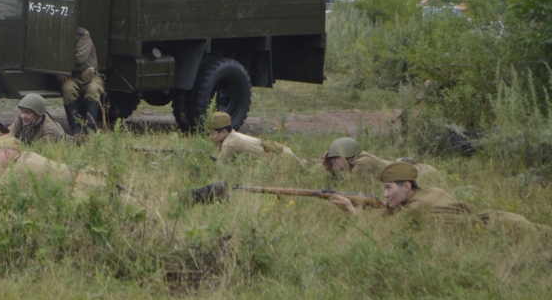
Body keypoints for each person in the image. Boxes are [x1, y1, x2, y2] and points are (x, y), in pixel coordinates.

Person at [328, 162, 546, 229]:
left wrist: (352, 211)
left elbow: (388, 231)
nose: (385, 195)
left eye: (388, 188)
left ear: (406, 187)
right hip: (495, 219)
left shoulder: (418, 206)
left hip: (502, 228)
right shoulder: (428, 192)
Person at [0, 135, 135, 202]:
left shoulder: (21, 166)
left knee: (131, 205)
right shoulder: (25, 158)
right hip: (87, 181)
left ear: (6, 153)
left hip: (85, 188)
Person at [321, 137, 439, 183]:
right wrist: (330, 170)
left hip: (423, 173)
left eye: (335, 157)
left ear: (348, 156)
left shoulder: (362, 163)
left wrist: (332, 173)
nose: (332, 161)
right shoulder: (358, 160)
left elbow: (349, 188)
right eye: (331, 159)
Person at [58, 27, 104, 135]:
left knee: (93, 90)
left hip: (91, 77)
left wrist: (62, 66)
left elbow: (80, 58)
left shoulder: (82, 35)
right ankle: (75, 129)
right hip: (73, 77)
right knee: (68, 90)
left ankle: (90, 129)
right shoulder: (60, 35)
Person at [209, 111, 301, 164]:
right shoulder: (233, 135)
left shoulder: (229, 144)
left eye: (212, 133)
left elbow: (220, 167)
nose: (210, 137)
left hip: (283, 159)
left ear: (224, 132)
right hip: (283, 154)